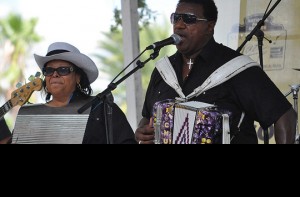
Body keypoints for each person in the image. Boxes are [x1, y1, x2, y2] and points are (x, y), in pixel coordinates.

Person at [135, 0, 297, 144]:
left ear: (210, 26)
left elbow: (284, 114)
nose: (179, 25)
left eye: (189, 19)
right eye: (175, 18)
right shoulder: (163, 71)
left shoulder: (237, 69)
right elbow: (147, 116)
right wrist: (141, 132)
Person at [9, 42, 137, 144]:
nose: (55, 74)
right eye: (49, 70)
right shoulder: (29, 114)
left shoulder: (101, 108)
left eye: (63, 70)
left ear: (78, 77)